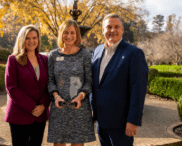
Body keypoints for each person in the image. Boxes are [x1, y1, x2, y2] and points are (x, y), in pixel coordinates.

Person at [90, 14, 149, 146]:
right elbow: (95, 84)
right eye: (109, 27)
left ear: (122, 29)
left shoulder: (134, 53)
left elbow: (138, 89)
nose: (112, 30)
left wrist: (133, 121)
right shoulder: (97, 51)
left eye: (116, 27)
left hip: (121, 123)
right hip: (101, 120)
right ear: (103, 30)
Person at [47, 19, 96, 146]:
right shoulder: (53, 55)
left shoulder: (85, 55)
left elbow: (89, 81)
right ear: (61, 34)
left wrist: (80, 97)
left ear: (77, 35)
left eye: (72, 33)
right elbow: (50, 81)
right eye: (65, 32)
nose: (69, 36)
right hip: (59, 107)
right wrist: (56, 97)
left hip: (79, 107)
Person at [4, 24, 51, 146]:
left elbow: (51, 84)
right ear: (22, 39)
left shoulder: (45, 60)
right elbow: (12, 87)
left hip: (40, 116)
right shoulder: (13, 60)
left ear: (38, 39)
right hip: (19, 115)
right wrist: (32, 107)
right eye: (27, 38)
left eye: (34, 37)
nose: (31, 41)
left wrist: (43, 105)